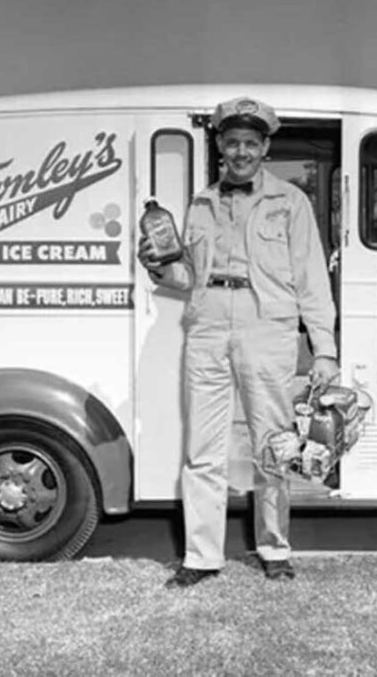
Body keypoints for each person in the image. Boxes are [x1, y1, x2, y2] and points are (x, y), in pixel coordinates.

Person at [138, 96, 340, 588]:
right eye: (233, 143)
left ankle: (274, 548)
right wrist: (159, 264)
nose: (242, 151)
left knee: (273, 444)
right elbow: (190, 276)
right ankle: (201, 556)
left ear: (265, 147)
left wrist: (325, 350)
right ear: (220, 146)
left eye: (251, 143)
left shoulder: (290, 202)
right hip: (208, 326)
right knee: (202, 449)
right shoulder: (201, 202)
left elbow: (312, 279)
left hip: (266, 326)